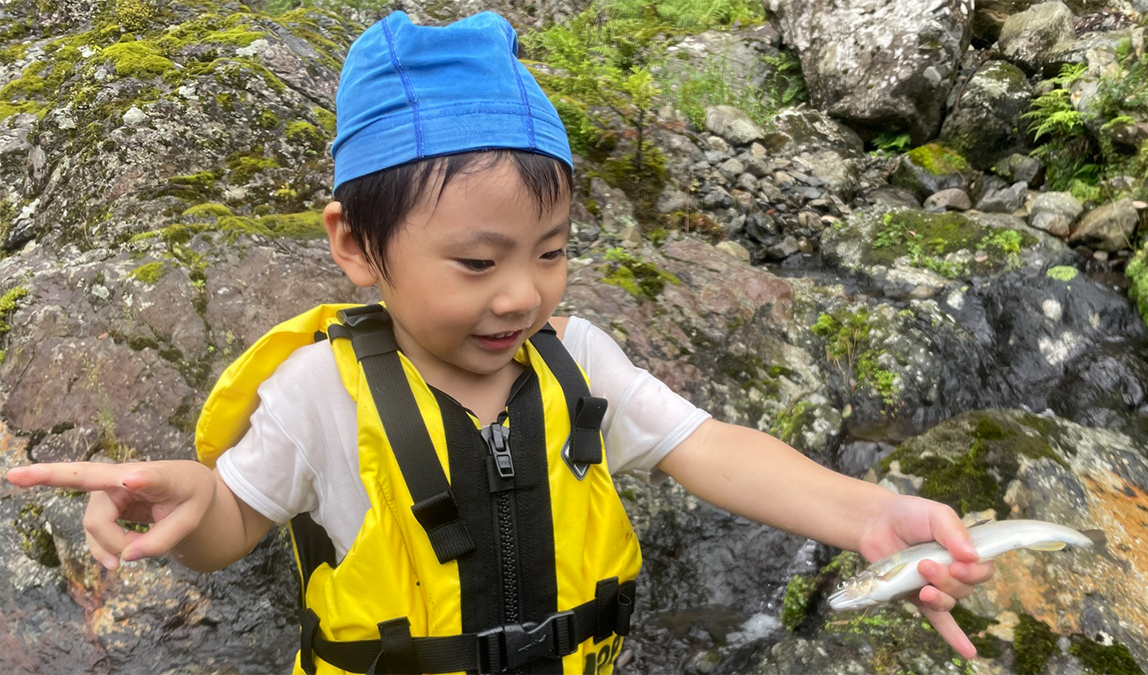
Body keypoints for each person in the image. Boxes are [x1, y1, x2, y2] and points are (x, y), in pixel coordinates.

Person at [4, 10, 994, 675]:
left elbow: (709, 447)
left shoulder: (579, 360)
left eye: (551, 251)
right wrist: (188, 498)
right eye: (477, 264)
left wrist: (868, 515)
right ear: (355, 245)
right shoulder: (319, 394)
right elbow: (236, 528)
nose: (523, 293)